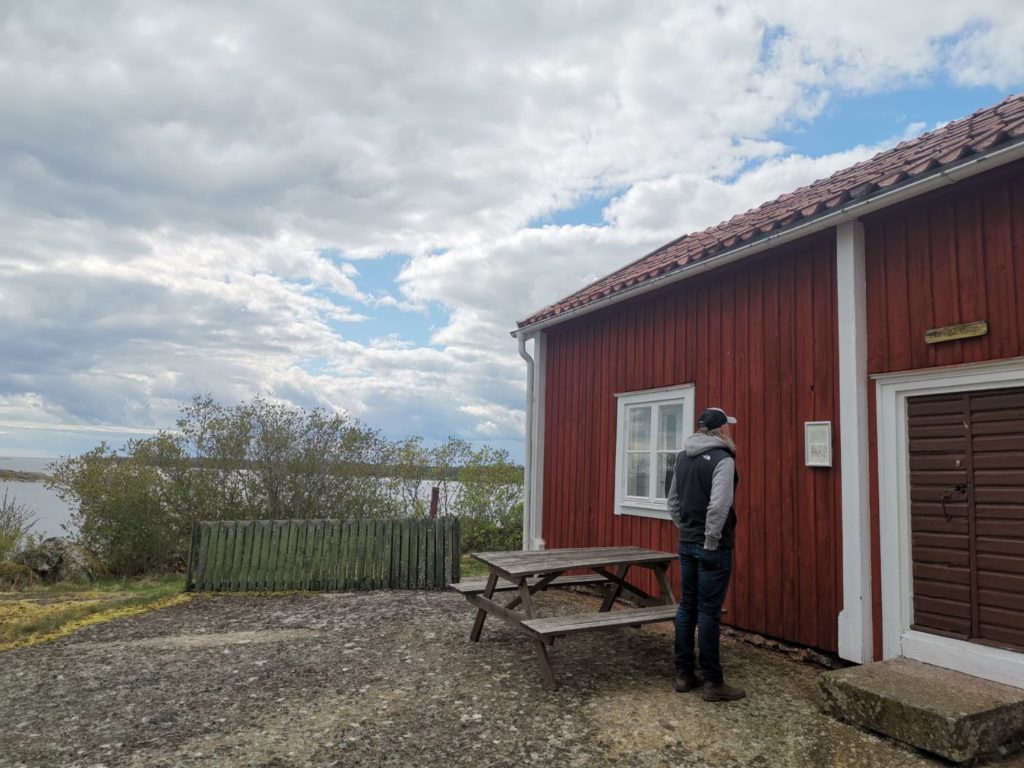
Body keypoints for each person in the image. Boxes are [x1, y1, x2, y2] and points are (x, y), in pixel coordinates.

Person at [666, 406, 746, 702]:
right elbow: (719, 505)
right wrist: (710, 540)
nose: (730, 431)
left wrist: (685, 528)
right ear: (722, 429)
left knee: (687, 606)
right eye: (729, 426)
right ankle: (714, 682)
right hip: (713, 547)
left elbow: (672, 501)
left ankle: (684, 674)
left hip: (686, 543)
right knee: (709, 613)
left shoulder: (682, 457)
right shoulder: (724, 459)